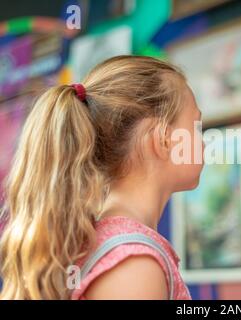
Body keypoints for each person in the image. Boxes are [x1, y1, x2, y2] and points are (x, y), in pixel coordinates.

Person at [0, 55, 204, 300]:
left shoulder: (112, 245)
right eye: (196, 126)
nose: (203, 141)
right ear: (161, 139)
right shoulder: (134, 265)